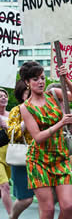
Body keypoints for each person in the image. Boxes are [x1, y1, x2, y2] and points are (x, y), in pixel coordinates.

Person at [20, 61, 72, 219]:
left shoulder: (54, 93)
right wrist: (61, 123)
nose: (40, 81)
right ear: (27, 82)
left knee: (67, 207)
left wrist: (66, 78)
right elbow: (38, 137)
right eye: (35, 79)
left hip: (60, 157)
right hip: (39, 161)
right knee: (47, 211)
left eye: (42, 77)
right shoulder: (25, 107)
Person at [46, 83, 72, 219]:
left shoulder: (69, 109)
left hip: (71, 155)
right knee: (51, 200)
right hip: (52, 157)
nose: (65, 99)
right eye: (61, 97)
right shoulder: (45, 110)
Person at [6, 80, 34, 219]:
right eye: (28, 93)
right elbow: (12, 134)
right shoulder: (16, 110)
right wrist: (26, 121)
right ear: (22, 95)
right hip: (21, 159)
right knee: (25, 199)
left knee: (47, 199)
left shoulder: (44, 109)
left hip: (42, 157)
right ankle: (12, 217)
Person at [0, 87, 12, 215]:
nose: (3, 97)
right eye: (0, 96)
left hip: (10, 155)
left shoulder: (12, 115)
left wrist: (6, 126)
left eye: (5, 96)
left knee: (1, 190)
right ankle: (12, 216)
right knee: (5, 186)